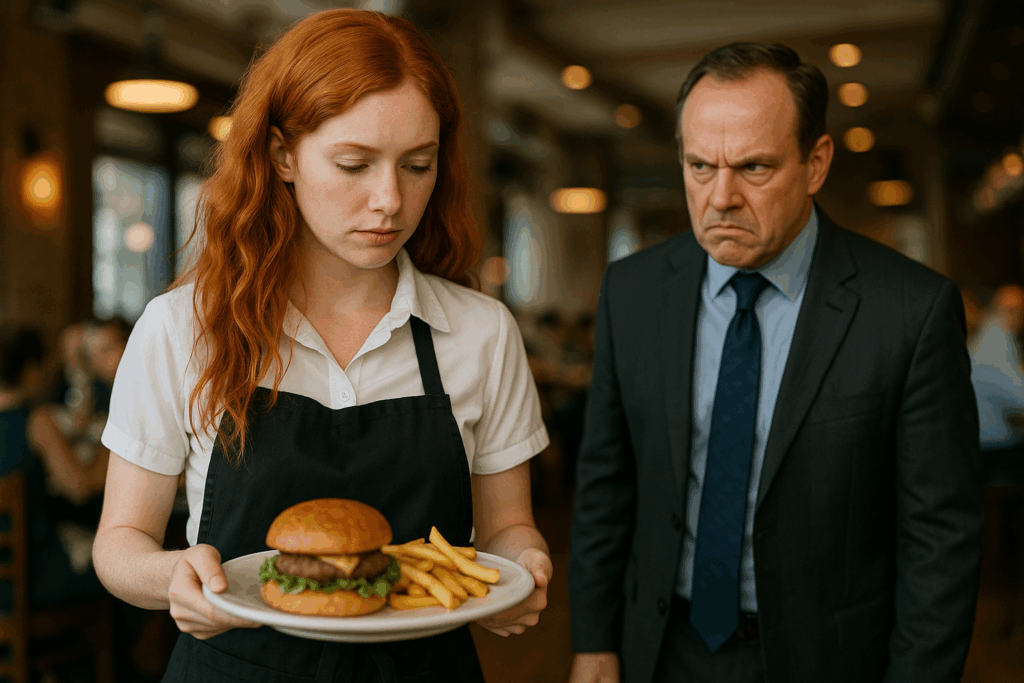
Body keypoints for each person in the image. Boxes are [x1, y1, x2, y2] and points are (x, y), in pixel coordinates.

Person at [92, 8, 552, 683]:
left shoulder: (482, 333)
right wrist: (170, 576)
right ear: (282, 155)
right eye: (354, 164)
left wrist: (527, 563)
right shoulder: (180, 327)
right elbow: (119, 544)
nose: (389, 199)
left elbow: (508, 527)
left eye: (417, 165)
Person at [568, 42, 981, 683]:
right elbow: (605, 484)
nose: (720, 197)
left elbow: (940, 538)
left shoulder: (911, 311)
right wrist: (594, 640)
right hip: (661, 646)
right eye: (700, 166)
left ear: (815, 164)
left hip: (831, 658)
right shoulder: (633, 290)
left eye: (753, 168)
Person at [0, 324, 108, 611]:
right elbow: (80, 488)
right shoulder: (37, 422)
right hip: (29, 578)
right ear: (30, 370)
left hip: (9, 580)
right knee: (117, 569)